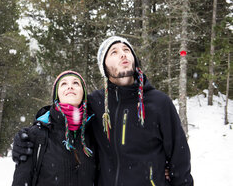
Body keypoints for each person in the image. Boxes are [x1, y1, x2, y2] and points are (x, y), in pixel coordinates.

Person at [13, 36, 193, 186]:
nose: (123, 54)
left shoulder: (159, 102)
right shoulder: (96, 103)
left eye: (126, 50)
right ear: (104, 67)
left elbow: (180, 158)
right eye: (114, 52)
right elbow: (63, 112)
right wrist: (29, 135)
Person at [12, 70, 97, 186]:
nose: (70, 87)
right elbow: (21, 181)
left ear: (84, 94)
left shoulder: (95, 132)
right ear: (57, 95)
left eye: (76, 83)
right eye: (64, 84)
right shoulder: (37, 134)